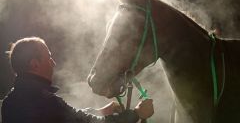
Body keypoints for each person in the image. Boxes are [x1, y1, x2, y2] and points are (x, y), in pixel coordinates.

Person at [1, 37, 154, 123]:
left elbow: (69, 118)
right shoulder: (45, 102)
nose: (53, 63)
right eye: (49, 57)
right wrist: (136, 113)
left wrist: (102, 111)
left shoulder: (10, 102)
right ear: (34, 64)